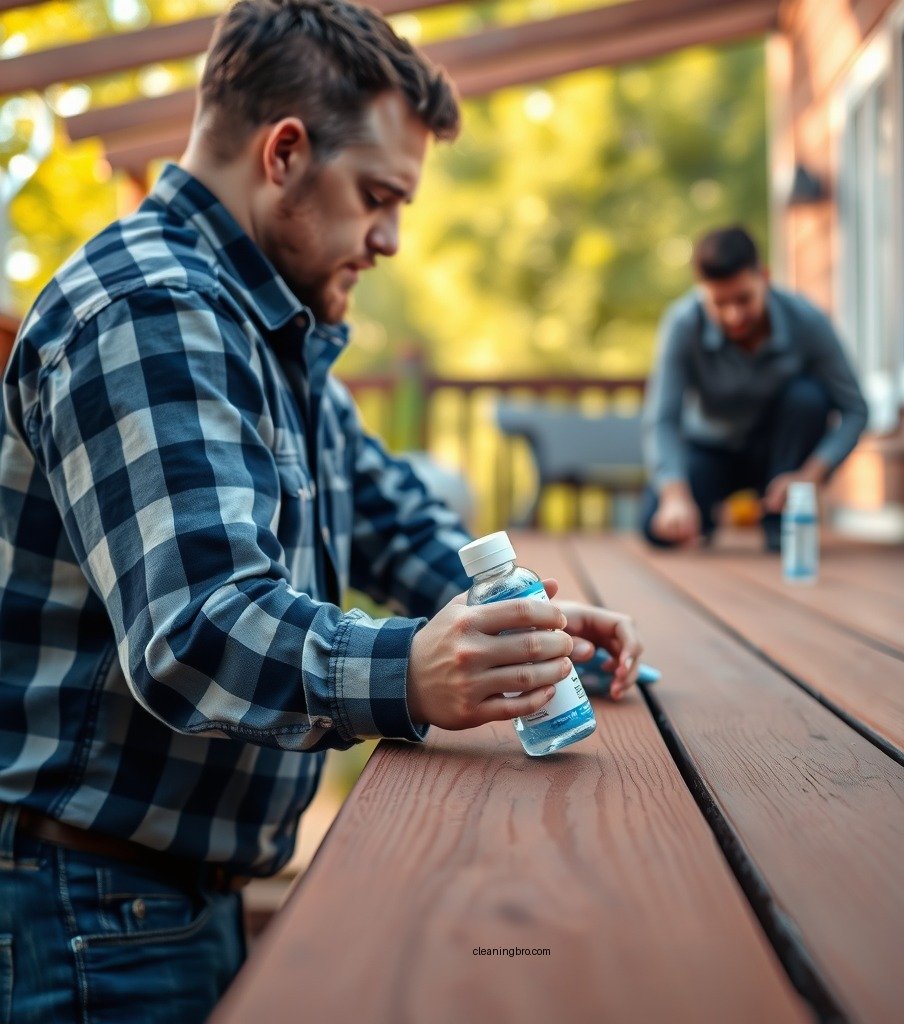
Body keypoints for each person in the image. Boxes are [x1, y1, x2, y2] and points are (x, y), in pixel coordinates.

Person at [0, 2, 643, 1020]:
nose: (389, 239)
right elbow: (197, 629)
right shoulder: (151, 311)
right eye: (378, 197)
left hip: (159, 892)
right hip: (83, 905)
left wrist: (526, 623)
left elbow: (388, 516)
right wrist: (413, 671)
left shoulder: (261, 324)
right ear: (285, 153)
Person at [641, 225, 868, 551]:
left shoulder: (808, 321)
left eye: (743, 299)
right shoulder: (682, 323)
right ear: (701, 291)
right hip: (710, 449)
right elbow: (662, 419)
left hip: (777, 456)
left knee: (808, 397)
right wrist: (674, 496)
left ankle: (780, 522)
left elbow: (855, 409)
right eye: (719, 303)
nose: (734, 316)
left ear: (764, 277)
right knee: (656, 529)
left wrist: (810, 476)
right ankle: (707, 517)